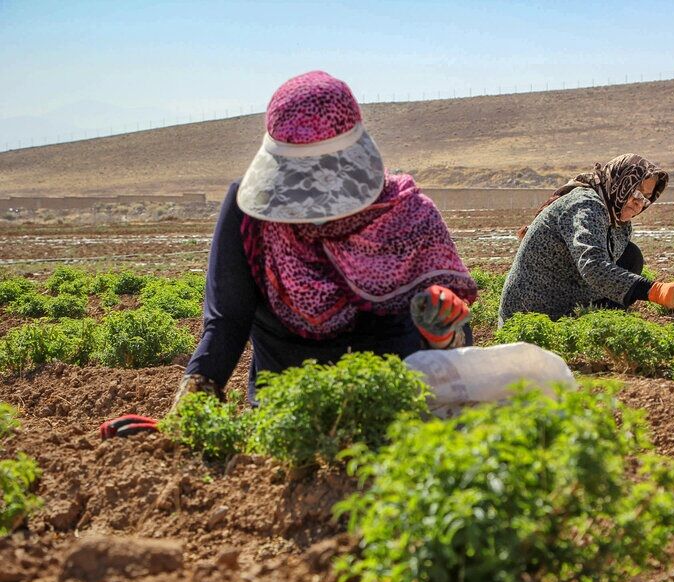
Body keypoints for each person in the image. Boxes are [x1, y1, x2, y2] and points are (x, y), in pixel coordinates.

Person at [101, 71, 476, 438]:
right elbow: (226, 322)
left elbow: (454, 337)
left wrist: (441, 330)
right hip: (285, 422)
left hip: (395, 418)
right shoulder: (251, 216)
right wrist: (189, 417)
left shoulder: (409, 217)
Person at [498, 154, 674, 325]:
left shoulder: (618, 220)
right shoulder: (586, 205)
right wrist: (655, 291)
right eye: (635, 192)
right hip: (530, 312)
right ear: (620, 182)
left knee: (630, 256)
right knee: (627, 259)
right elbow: (593, 265)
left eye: (646, 198)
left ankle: (595, 323)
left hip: (567, 295)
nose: (639, 203)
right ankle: (584, 325)